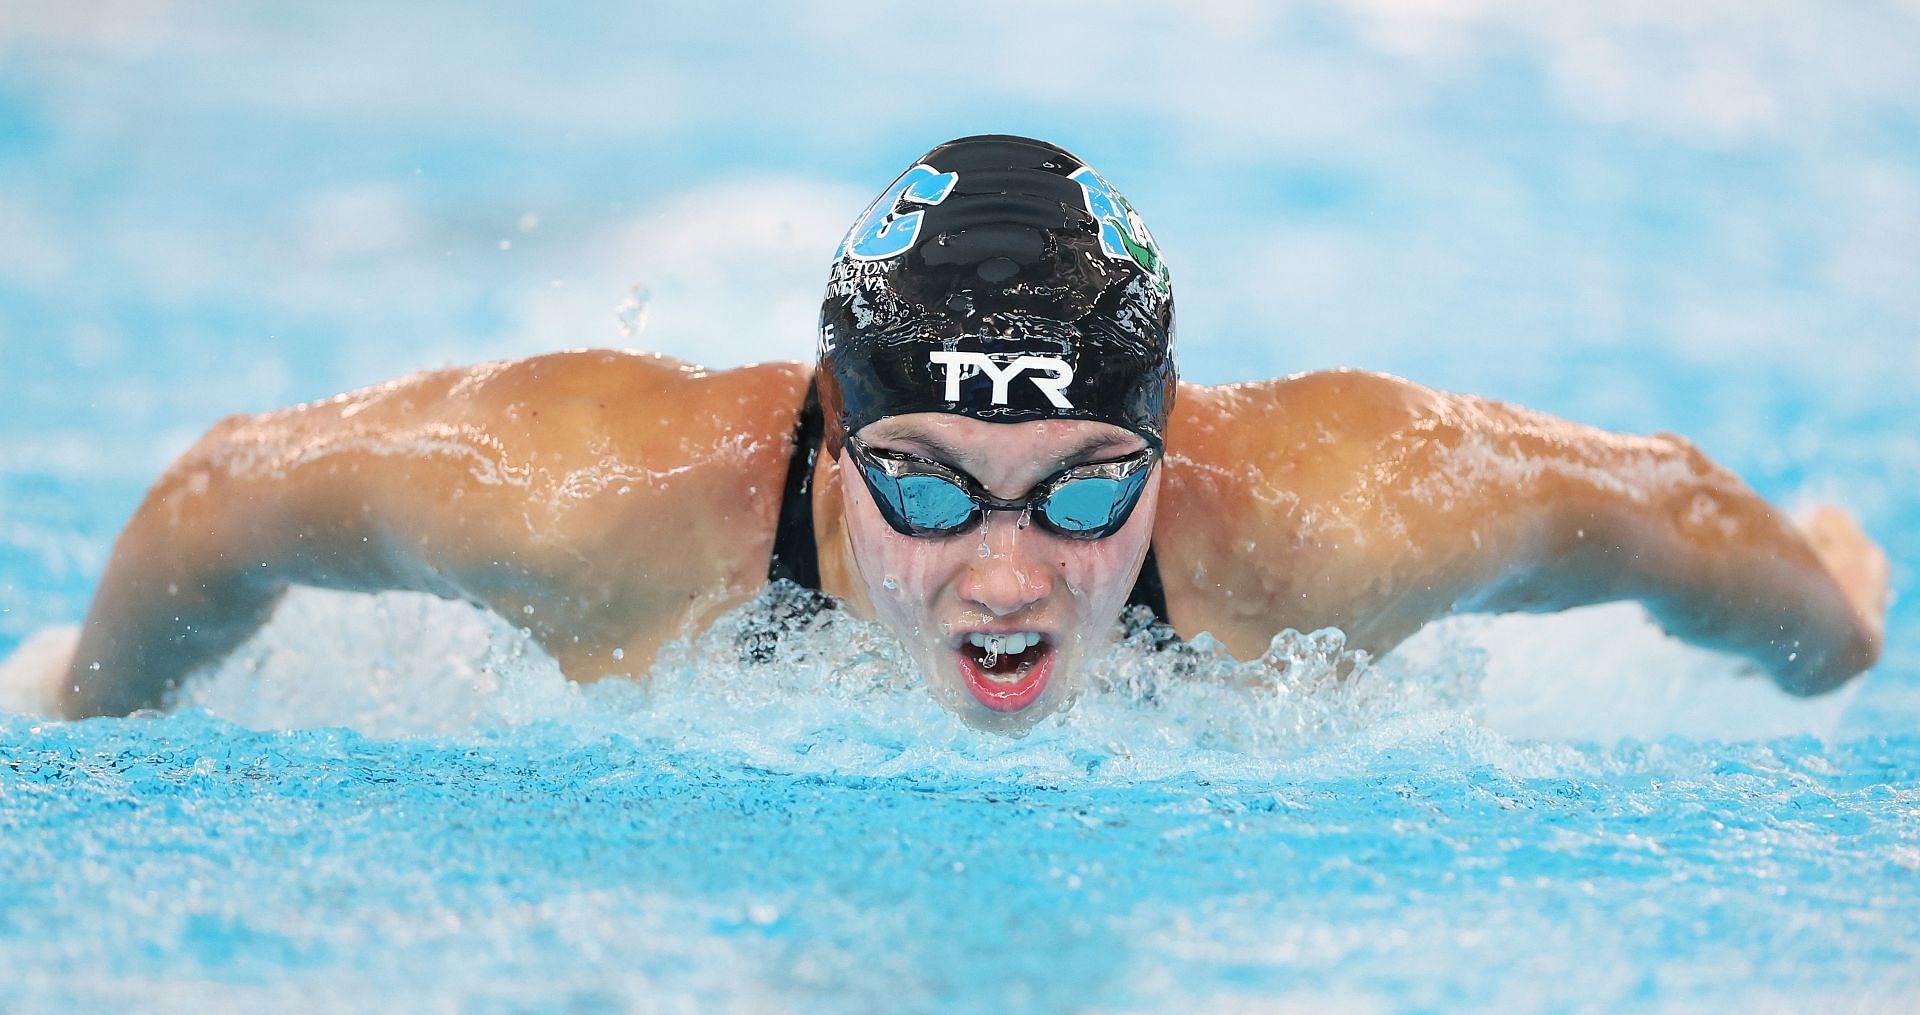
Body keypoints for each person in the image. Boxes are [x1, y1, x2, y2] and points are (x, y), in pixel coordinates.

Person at [56, 135, 1888, 727]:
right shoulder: (584, 499)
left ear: (1167, 453)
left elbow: (1663, 514)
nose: (1007, 577)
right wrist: (84, 709)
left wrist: (1835, 626)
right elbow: (221, 499)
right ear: (835, 447)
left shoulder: (1340, 514)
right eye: (927, 486)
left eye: (1087, 492)